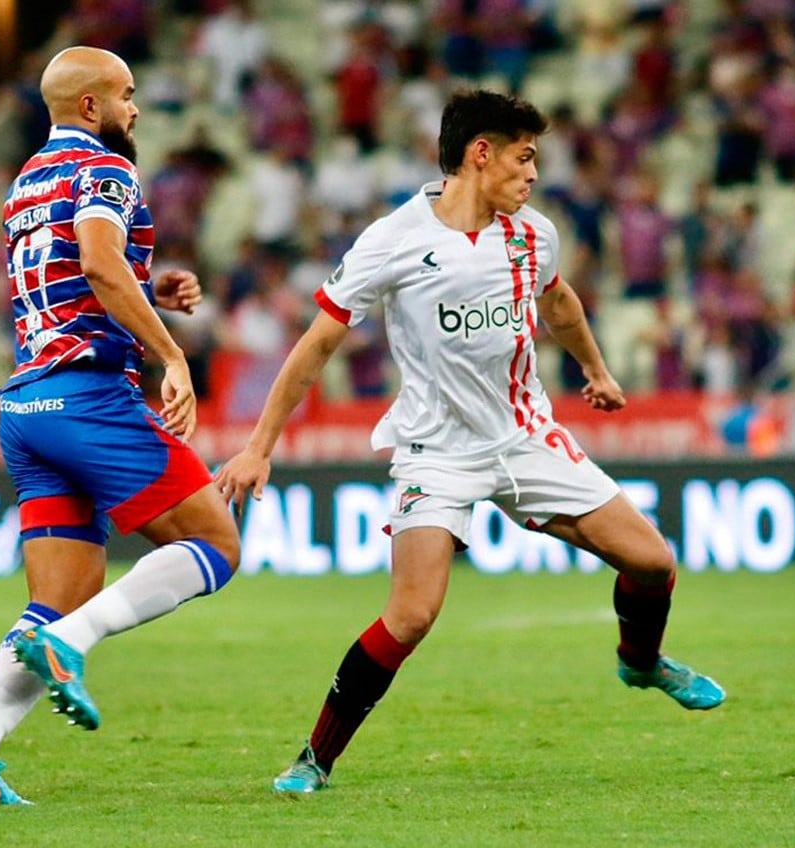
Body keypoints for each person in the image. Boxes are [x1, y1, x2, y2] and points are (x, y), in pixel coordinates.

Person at [214, 89, 724, 794]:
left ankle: (641, 661)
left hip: (525, 434)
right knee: (412, 613)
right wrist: (258, 445)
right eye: (525, 157)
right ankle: (313, 757)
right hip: (437, 448)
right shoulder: (393, 239)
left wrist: (597, 370)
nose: (533, 173)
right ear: (480, 155)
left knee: (652, 561)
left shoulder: (532, 233)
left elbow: (560, 302)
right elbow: (316, 344)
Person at [0, 47, 240, 806]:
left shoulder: (24, 183)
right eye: (128, 95)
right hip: (88, 399)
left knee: (58, 598)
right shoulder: (106, 167)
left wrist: (149, 281)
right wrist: (171, 353)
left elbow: (70, 272)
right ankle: (69, 644)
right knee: (217, 544)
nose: (136, 109)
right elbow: (99, 265)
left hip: (27, 408)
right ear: (93, 106)